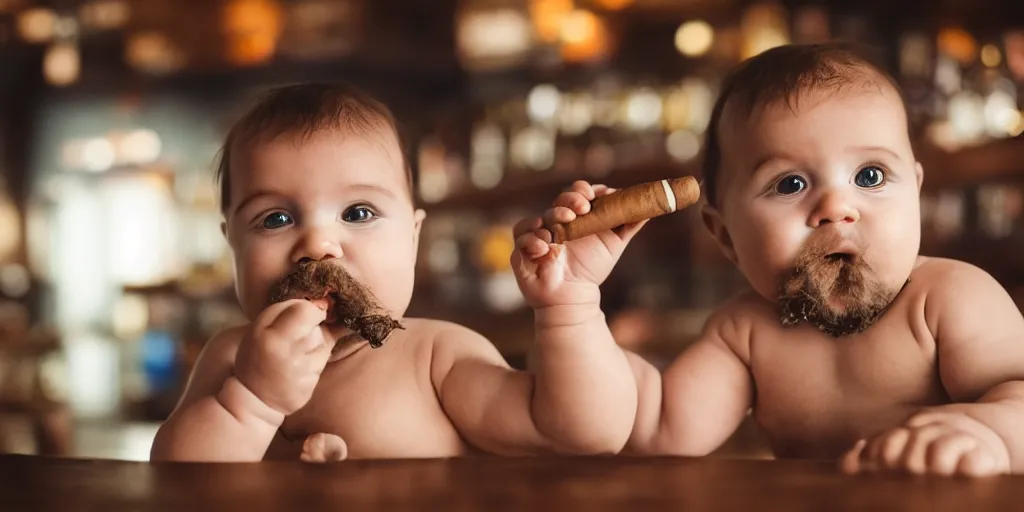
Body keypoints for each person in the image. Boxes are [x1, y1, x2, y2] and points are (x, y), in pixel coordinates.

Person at [515, 43, 1024, 476]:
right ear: (726, 236)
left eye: (869, 176)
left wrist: (990, 434)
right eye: (790, 184)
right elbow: (654, 426)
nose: (836, 209)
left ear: (915, 191)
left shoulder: (949, 299)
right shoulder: (746, 334)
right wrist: (573, 305)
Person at [150, 83, 638, 462]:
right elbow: (177, 481)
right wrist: (251, 402)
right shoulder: (233, 358)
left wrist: (569, 305)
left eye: (359, 213)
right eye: (275, 218)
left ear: (413, 238)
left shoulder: (435, 357)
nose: (318, 246)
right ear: (230, 244)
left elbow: (581, 434)